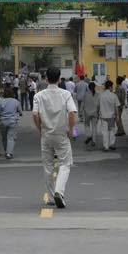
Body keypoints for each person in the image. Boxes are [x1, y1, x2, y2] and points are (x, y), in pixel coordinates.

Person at [33, 66, 77, 209]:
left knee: (48, 166)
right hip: (61, 134)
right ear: (59, 79)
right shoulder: (66, 94)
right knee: (65, 163)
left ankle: (51, 196)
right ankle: (59, 191)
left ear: (46, 79)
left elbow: (35, 114)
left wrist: (39, 128)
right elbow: (72, 112)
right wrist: (71, 129)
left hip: (46, 133)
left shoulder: (38, 95)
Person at [0, 87, 22, 159]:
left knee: (4, 137)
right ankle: (9, 153)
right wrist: (19, 113)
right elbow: (20, 111)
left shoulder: (1, 101)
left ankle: (6, 150)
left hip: (3, 121)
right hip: (13, 121)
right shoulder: (16, 101)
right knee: (11, 137)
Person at [97, 80, 121, 151]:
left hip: (103, 116)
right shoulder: (114, 95)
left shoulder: (101, 95)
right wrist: (118, 116)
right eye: (112, 87)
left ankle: (106, 146)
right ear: (110, 87)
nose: (112, 88)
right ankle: (111, 144)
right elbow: (116, 107)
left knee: (104, 132)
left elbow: (98, 106)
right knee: (112, 131)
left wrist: (97, 114)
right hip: (111, 117)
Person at [80, 80, 100, 148]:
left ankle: (89, 136)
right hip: (95, 113)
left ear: (88, 87)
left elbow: (82, 103)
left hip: (87, 112)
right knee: (94, 127)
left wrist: (80, 112)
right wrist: (99, 112)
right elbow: (99, 105)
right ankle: (94, 141)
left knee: (87, 125)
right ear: (94, 87)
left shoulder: (85, 94)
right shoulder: (97, 94)